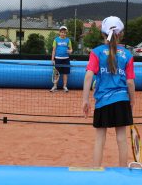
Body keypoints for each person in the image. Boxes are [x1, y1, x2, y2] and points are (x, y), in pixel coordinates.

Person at [82, 16, 135, 167]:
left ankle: (96, 172)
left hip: (103, 101)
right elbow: (130, 82)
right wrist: (132, 101)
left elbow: (88, 76)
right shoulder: (128, 55)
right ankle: (123, 172)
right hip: (122, 100)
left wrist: (85, 100)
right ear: (121, 34)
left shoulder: (96, 52)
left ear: (103, 34)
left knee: (100, 139)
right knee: (121, 138)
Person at [50, 26, 73, 92]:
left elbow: (71, 49)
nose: (63, 34)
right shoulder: (56, 40)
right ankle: (55, 86)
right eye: (62, 32)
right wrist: (52, 59)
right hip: (57, 59)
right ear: (59, 33)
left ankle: (65, 86)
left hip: (66, 59)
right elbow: (53, 50)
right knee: (56, 73)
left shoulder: (68, 40)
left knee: (65, 73)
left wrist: (70, 51)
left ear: (66, 33)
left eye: (64, 32)